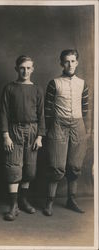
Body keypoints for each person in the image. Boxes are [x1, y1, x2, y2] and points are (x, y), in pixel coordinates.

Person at [44, 49, 88, 216]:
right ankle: (49, 202)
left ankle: (71, 199)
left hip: (78, 125)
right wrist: (48, 129)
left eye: (73, 61)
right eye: (67, 61)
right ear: (61, 63)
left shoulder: (82, 83)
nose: (70, 64)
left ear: (77, 62)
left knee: (75, 165)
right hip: (58, 125)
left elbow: (85, 109)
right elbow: (47, 110)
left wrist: (86, 129)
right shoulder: (54, 83)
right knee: (57, 166)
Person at [1, 55, 45, 221]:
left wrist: (39, 136)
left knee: (29, 169)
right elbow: (3, 113)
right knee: (14, 167)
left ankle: (23, 200)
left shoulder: (37, 89)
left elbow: (41, 115)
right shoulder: (10, 88)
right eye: (22, 67)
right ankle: (13, 205)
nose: (25, 71)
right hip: (14, 130)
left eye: (28, 68)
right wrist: (6, 135)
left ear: (32, 69)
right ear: (16, 69)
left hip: (33, 131)